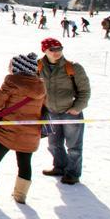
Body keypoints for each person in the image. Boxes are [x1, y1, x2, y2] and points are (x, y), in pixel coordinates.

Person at [0, 53, 45, 204]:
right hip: (31, 133)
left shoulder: (12, 82)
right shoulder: (41, 86)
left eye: (11, 65)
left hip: (8, 132)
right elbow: (45, 108)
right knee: (24, 163)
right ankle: (20, 195)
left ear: (18, 68)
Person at [38, 38, 91, 185]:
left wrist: (77, 108)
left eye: (59, 48)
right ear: (44, 51)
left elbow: (85, 91)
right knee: (53, 144)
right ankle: (59, 167)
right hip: (51, 112)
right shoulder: (39, 66)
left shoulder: (73, 67)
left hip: (70, 113)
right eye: (52, 50)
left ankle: (72, 173)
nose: (57, 52)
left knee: (73, 146)